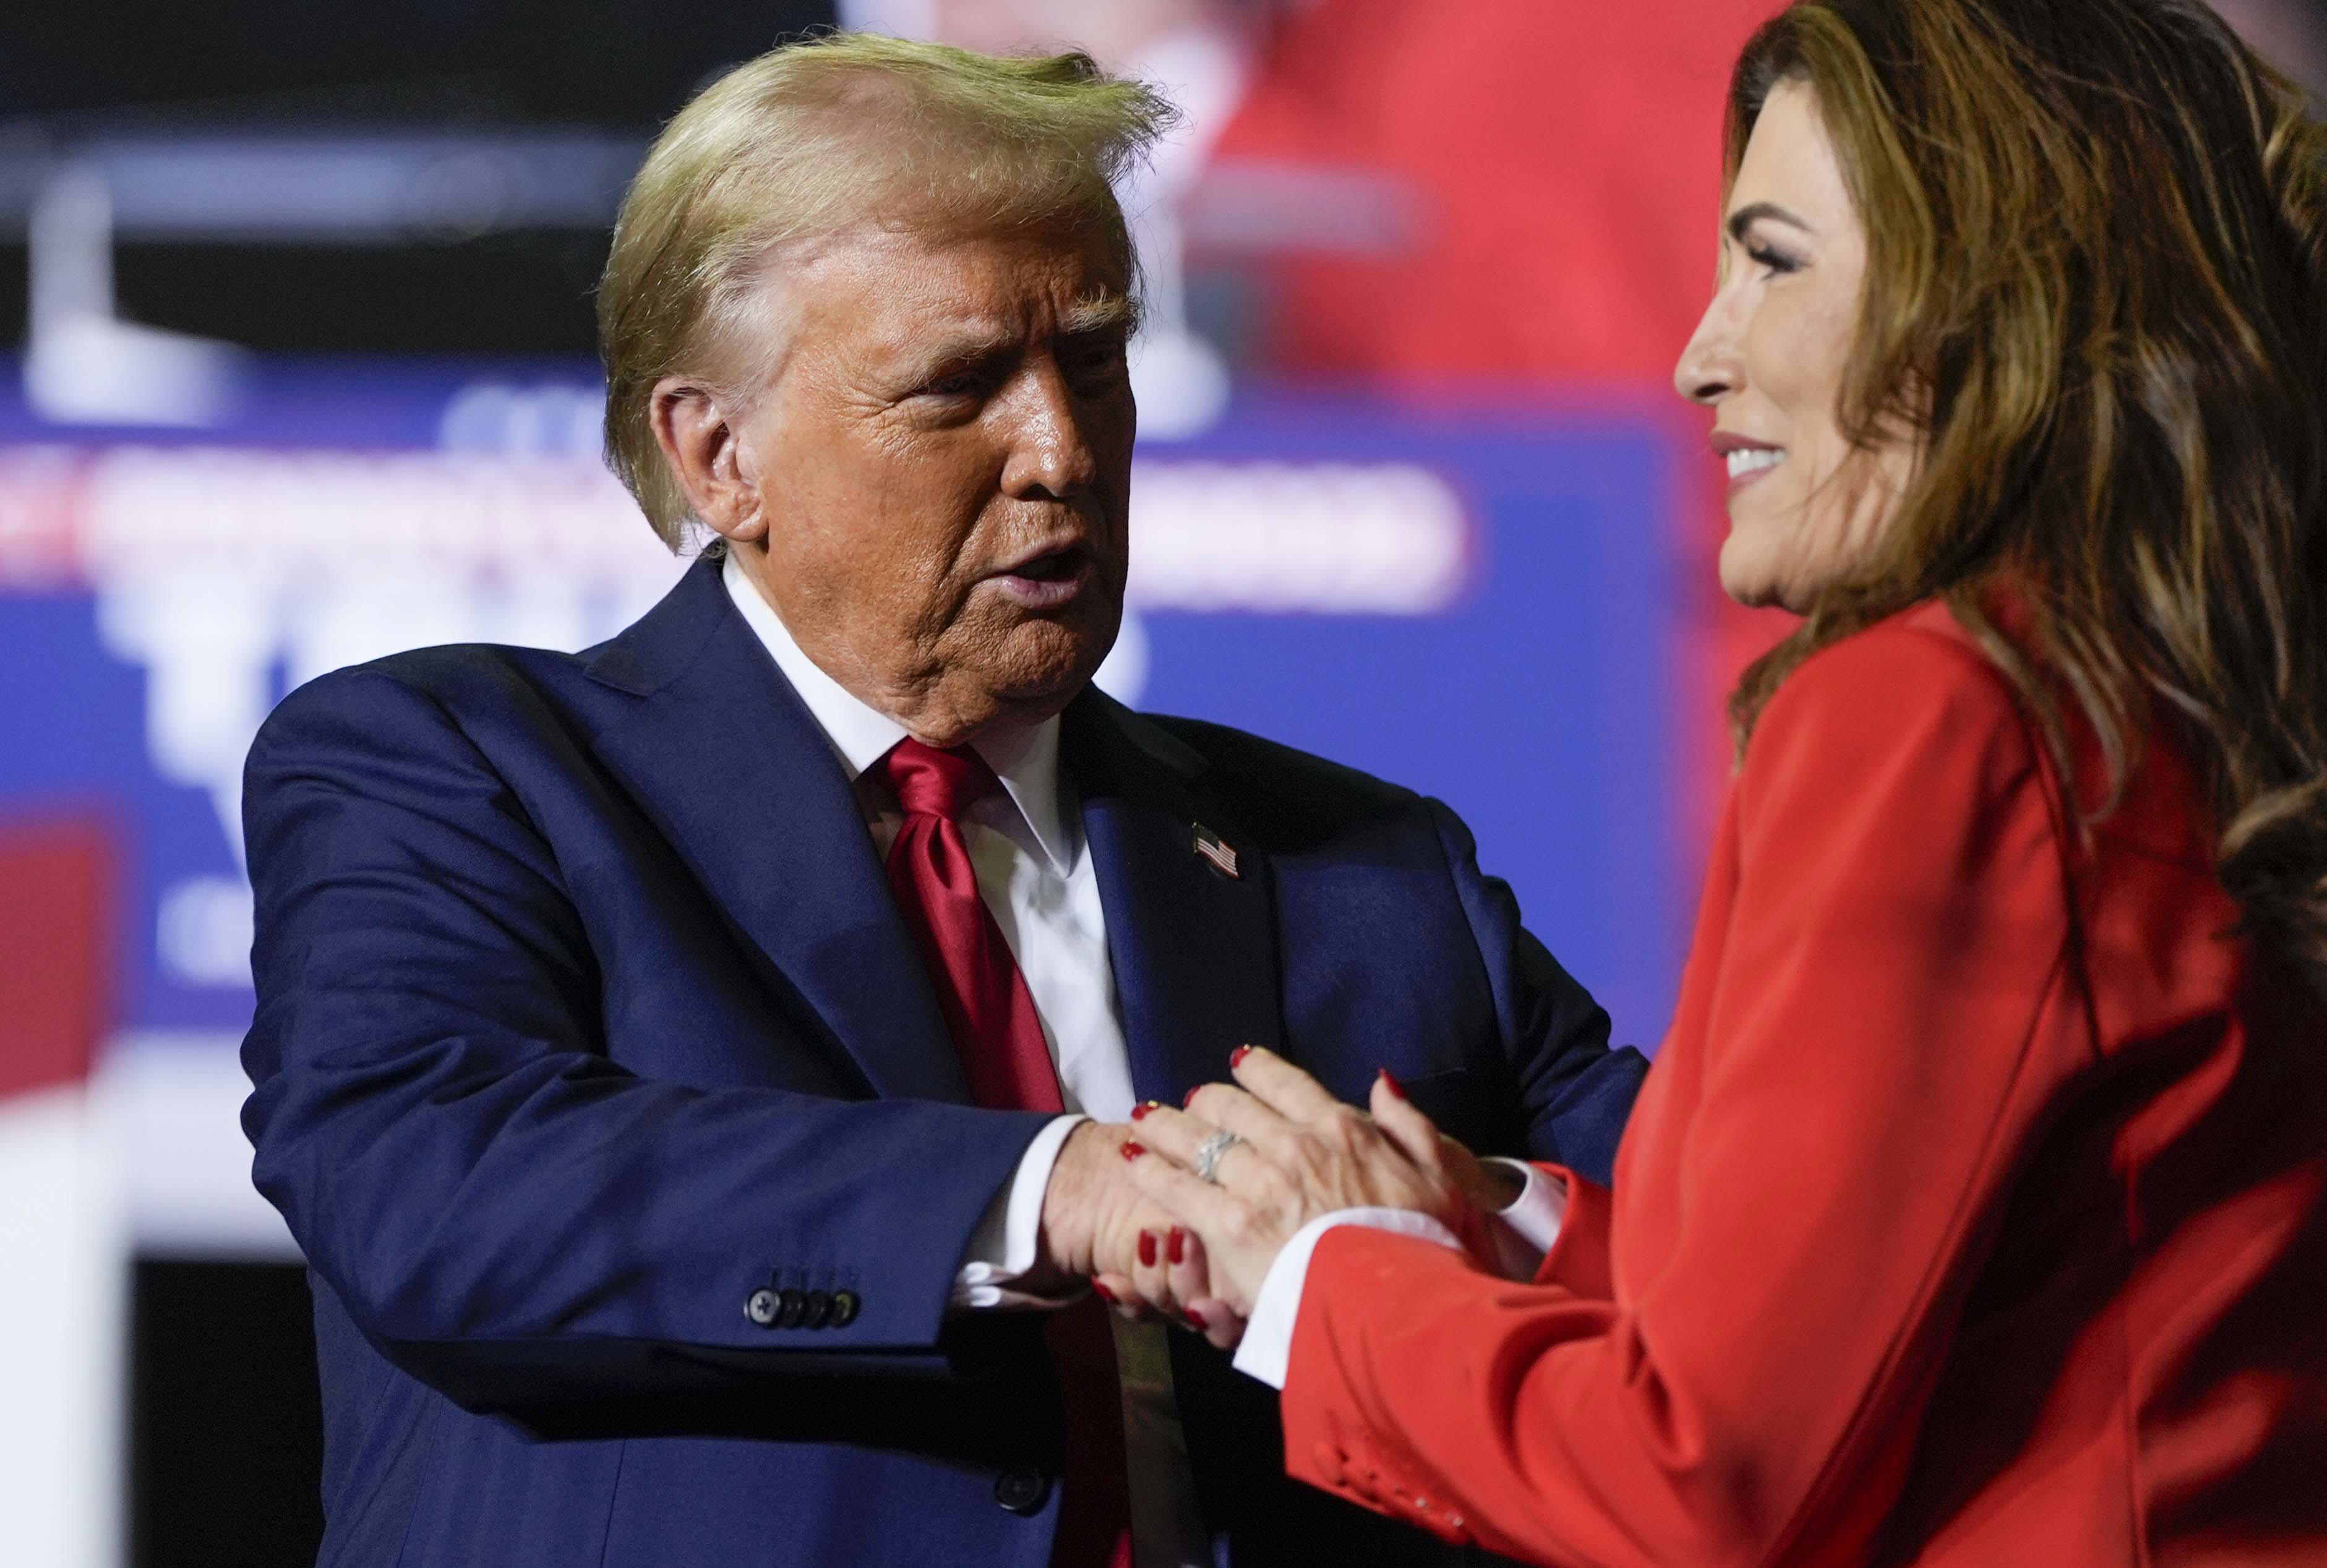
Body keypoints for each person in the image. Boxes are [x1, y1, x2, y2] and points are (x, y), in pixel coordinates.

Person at [1119, 3, 2327, 1564]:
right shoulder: (2275, 690)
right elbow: (2014, 1310)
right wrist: (1497, 1221)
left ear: (1992, 303)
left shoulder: (1940, 705)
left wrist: (1320, 1276)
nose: (1698, 354)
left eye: (1773, 259)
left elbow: (1703, 1478)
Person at [235, 35, 1643, 1568]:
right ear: (720, 456)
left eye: (1093, 359)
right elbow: (445, 1186)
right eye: (958, 384)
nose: (1060, 449)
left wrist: (1459, 1200)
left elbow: (1703, 1242)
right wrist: (1059, 1188)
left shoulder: (1366, 866)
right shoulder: (456, 766)